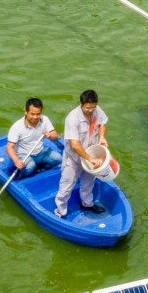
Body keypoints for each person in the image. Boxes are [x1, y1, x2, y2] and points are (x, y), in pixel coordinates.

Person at [54, 90, 109, 218]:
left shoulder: (97, 110)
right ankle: (60, 211)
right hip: (74, 159)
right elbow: (75, 145)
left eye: (93, 107)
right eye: (87, 108)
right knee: (66, 186)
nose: (90, 110)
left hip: (91, 155)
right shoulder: (72, 118)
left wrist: (101, 137)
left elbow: (103, 123)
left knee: (88, 183)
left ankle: (87, 203)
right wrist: (90, 159)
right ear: (81, 104)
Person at [6, 98, 61, 177]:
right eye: (32, 114)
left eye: (38, 114)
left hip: (40, 151)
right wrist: (16, 160)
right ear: (25, 111)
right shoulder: (17, 127)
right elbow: (9, 147)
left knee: (58, 159)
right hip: (23, 154)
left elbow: (55, 136)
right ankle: (21, 175)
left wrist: (50, 136)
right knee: (30, 167)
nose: (35, 117)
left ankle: (40, 171)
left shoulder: (44, 119)